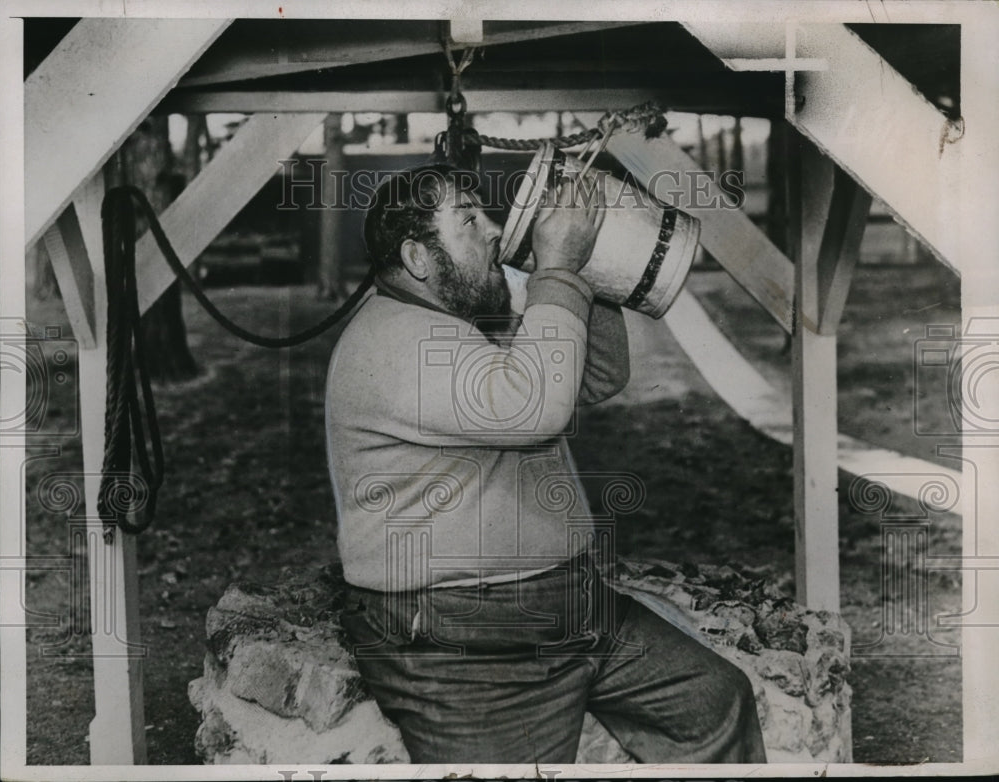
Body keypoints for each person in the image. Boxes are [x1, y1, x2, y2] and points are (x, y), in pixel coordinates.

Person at [324, 162, 766, 764]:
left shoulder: (463, 322)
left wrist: (580, 267)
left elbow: (596, 376)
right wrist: (556, 270)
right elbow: (537, 407)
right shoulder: (393, 341)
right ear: (418, 257)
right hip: (466, 638)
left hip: (565, 610)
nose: (494, 229)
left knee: (710, 702)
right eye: (469, 219)